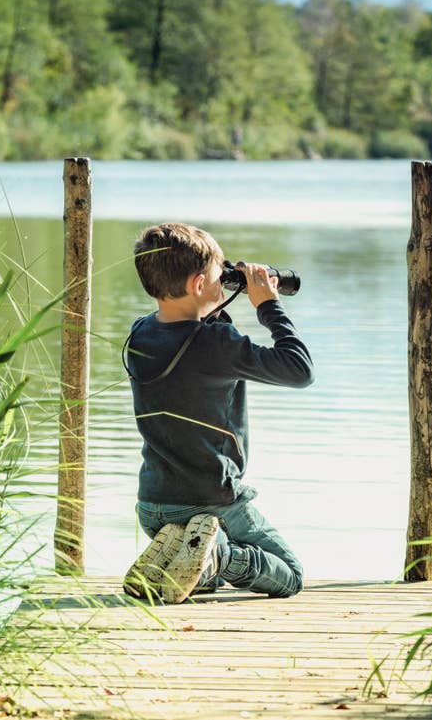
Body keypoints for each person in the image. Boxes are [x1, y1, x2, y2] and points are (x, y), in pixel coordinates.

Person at [121, 222, 313, 603]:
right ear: (197, 285)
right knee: (290, 575)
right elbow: (298, 369)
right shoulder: (217, 343)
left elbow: (191, 335)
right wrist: (268, 305)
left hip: (153, 506)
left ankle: (193, 560)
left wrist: (216, 291)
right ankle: (220, 555)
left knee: (197, 576)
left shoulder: (140, 332)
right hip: (210, 503)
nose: (224, 280)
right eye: (219, 273)